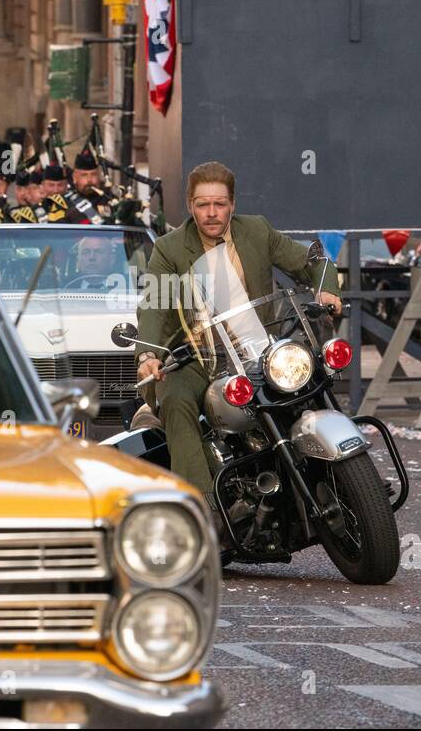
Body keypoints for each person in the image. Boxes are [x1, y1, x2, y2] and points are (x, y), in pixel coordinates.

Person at [135, 161, 342, 513]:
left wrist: (327, 290)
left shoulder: (257, 231)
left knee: (310, 377)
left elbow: (311, 259)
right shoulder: (170, 249)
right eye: (203, 204)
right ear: (190, 206)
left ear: (233, 204)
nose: (212, 213)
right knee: (176, 399)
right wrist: (149, 355)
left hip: (259, 347)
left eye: (219, 204)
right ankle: (203, 506)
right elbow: (154, 304)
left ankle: (343, 474)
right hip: (199, 356)